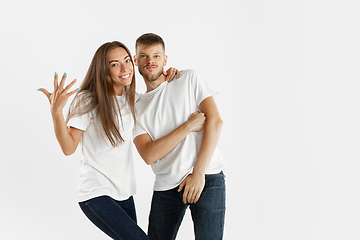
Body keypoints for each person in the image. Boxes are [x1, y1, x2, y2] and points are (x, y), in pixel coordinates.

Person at [38, 41, 205, 240]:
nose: (125, 68)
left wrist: (170, 74)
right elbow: (68, 147)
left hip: (124, 194)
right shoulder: (88, 99)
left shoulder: (132, 98)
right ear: (103, 69)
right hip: (96, 193)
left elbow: (156, 94)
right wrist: (56, 113)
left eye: (127, 60)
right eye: (115, 64)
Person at [133, 33, 226, 240]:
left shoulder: (188, 79)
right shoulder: (136, 108)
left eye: (156, 56)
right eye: (144, 56)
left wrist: (198, 173)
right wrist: (188, 126)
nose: (150, 61)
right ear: (135, 60)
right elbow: (148, 154)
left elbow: (215, 121)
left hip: (207, 177)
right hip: (167, 185)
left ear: (165, 60)